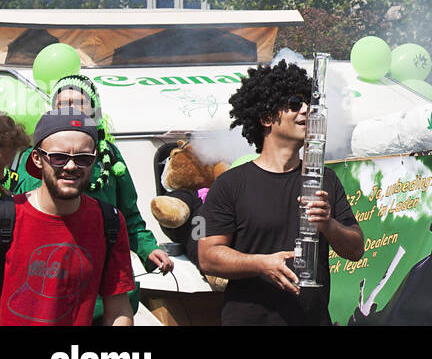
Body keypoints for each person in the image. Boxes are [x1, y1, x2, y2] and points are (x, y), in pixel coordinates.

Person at [197, 60, 364, 325]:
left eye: (308, 104)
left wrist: (328, 225)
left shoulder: (325, 179)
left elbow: (356, 249)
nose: (307, 111)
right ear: (266, 118)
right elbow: (208, 257)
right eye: (295, 104)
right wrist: (261, 264)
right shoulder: (230, 184)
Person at [13, 74, 173, 308]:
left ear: (94, 110)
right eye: (62, 104)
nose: (70, 109)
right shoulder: (36, 158)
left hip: (100, 280)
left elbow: (128, 216)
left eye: (77, 102)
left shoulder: (110, 156)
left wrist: (149, 249)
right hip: (49, 275)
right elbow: (23, 211)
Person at [0, 112, 134, 325]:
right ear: (37, 158)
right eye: (59, 157)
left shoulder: (110, 222)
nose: (71, 166)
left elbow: (118, 310)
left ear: (94, 160)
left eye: (83, 158)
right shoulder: (7, 216)